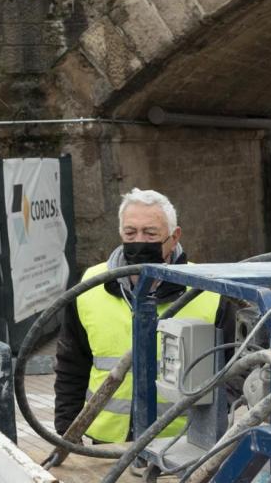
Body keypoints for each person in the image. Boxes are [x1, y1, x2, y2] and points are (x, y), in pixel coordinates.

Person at [54, 189, 221, 443]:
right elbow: (71, 363)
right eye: (130, 233)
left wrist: (213, 416)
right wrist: (67, 430)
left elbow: (236, 364)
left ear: (174, 237)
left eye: (150, 233)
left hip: (181, 443)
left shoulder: (207, 289)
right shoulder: (91, 286)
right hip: (108, 442)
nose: (139, 241)